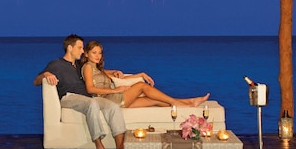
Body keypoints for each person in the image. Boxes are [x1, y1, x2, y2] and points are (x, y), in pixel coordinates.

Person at [35, 34, 127, 149]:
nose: (83, 51)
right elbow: (36, 81)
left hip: (88, 97)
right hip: (69, 97)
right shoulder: (56, 64)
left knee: (113, 107)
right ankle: (99, 148)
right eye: (80, 48)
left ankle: (120, 147)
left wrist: (114, 72)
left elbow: (98, 70)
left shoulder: (79, 65)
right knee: (92, 104)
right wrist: (46, 74)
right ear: (70, 48)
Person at [81, 41, 210, 109]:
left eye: (100, 53)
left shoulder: (99, 70)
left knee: (154, 100)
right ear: (86, 54)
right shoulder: (87, 67)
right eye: (94, 53)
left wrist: (141, 73)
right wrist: (115, 90)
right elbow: (90, 89)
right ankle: (180, 104)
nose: (98, 56)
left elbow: (120, 76)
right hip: (109, 100)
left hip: (114, 99)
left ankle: (190, 102)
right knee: (141, 86)